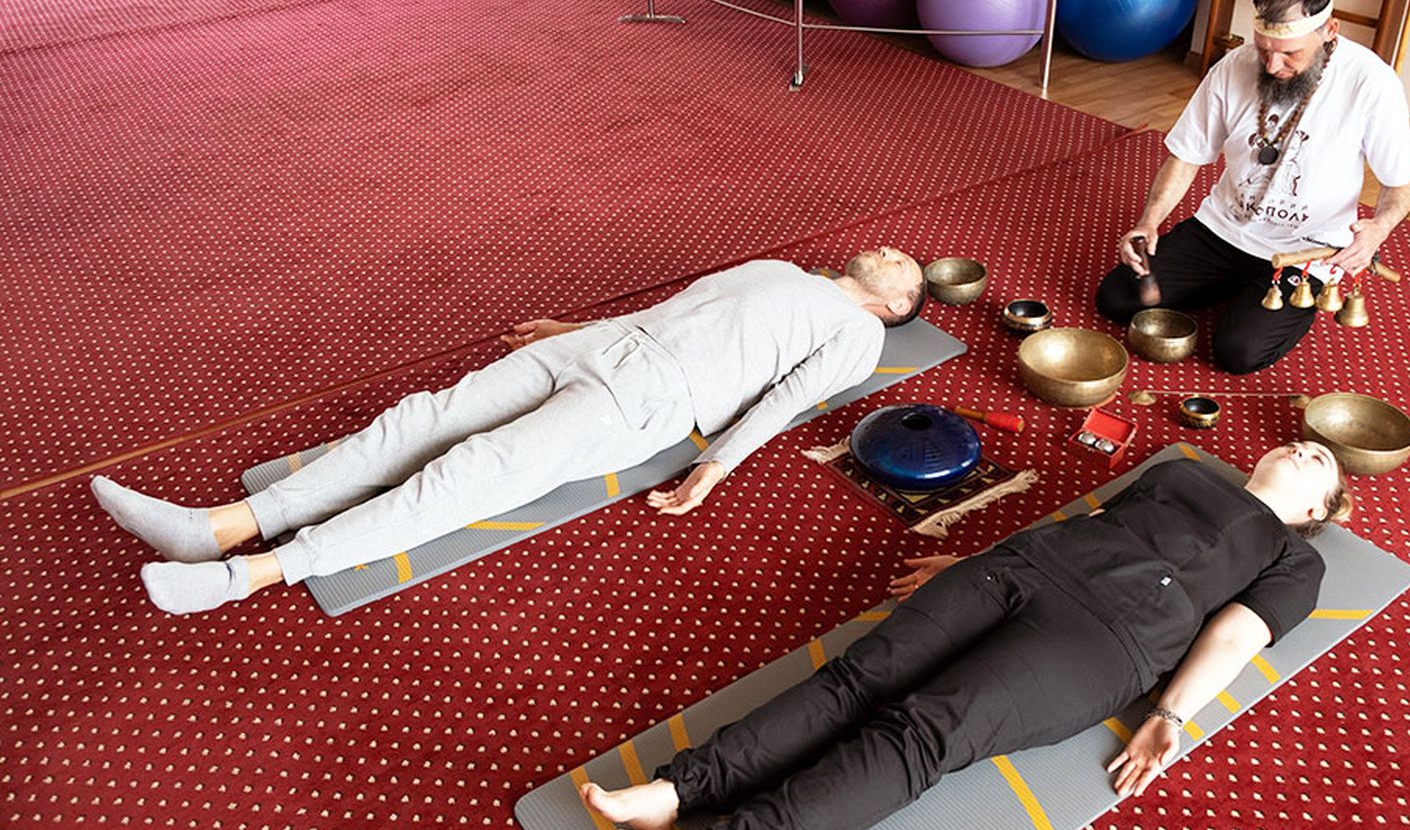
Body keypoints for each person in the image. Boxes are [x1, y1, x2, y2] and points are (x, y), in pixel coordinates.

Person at [584, 442, 1353, 830]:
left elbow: (1234, 633)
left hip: (1105, 638)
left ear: (1317, 510)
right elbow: (1092, 520)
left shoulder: (1293, 558)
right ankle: (677, 790)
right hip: (1025, 568)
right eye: (1301, 442)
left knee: (921, 732)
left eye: (1320, 462)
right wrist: (973, 560)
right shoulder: (1180, 469)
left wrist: (1169, 713)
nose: (1304, 449)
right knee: (856, 678)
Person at [91, 250, 927, 614]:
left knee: (471, 470)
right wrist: (572, 327)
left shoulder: (857, 334)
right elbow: (673, 307)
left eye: (905, 269)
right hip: (602, 345)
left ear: (897, 306)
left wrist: (717, 465)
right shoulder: (782, 270)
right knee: (421, 418)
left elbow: (785, 401)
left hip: (654, 395)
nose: (892, 251)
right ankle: (219, 527)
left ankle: (251, 574)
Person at [1096, 0, 1410, 374]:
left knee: (1238, 353)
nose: (1270, 65)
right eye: (1264, 49)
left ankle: (1255, 298)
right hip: (1222, 230)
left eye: (1289, 54)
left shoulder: (1372, 83)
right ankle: (1234, 286)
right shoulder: (1233, 66)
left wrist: (1380, 228)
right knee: (1115, 299)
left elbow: (1403, 185)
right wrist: (1149, 221)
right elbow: (1187, 155)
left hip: (1306, 249)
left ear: (1329, 30)